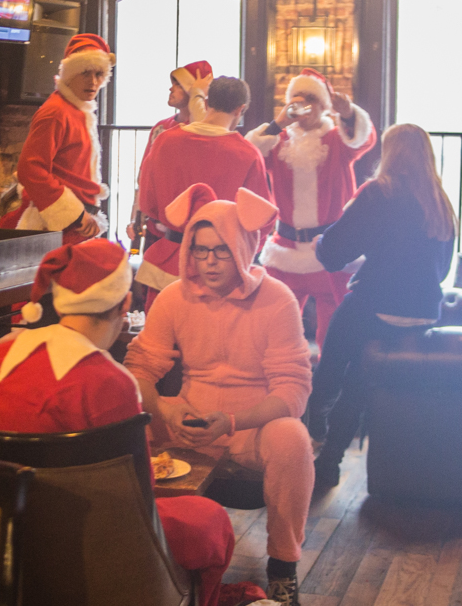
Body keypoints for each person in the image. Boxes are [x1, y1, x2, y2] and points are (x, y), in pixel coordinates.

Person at [0, 238, 240, 606]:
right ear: (124, 303)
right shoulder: (110, 382)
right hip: (87, 543)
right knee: (209, 520)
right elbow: (137, 493)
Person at [124, 184, 313, 606]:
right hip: (189, 420)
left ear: (245, 247)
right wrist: (166, 413)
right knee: (133, 413)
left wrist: (230, 422)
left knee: (292, 436)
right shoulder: (174, 296)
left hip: (252, 426)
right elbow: (138, 372)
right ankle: (148, 546)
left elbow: (293, 391)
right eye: (199, 249)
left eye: (221, 250)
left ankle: (283, 566)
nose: (208, 262)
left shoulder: (278, 299)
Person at [306, 123, 457, 489]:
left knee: (332, 366)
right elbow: (436, 267)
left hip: (378, 307)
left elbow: (335, 253)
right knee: (359, 375)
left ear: (389, 153)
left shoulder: (379, 193)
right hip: (423, 314)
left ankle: (313, 438)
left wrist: (318, 243)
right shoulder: (440, 200)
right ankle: (329, 459)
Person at [246, 68, 376, 346]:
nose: (303, 105)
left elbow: (364, 139)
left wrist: (349, 114)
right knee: (276, 325)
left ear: (323, 106)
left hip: (328, 250)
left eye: (310, 99)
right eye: (297, 98)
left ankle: (329, 387)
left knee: (333, 332)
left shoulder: (336, 139)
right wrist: (278, 123)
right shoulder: (279, 140)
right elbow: (249, 154)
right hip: (286, 250)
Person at [135, 77, 272, 299]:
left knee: (160, 332)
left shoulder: (165, 141)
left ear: (206, 103)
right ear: (241, 109)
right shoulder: (248, 154)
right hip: (221, 267)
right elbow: (260, 222)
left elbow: (148, 204)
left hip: (170, 259)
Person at [15, 33, 115, 244]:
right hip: (59, 227)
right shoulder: (56, 112)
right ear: (70, 74)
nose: (93, 81)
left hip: (77, 225)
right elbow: (29, 169)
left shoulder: (79, 110)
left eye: (99, 74)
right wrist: (75, 215)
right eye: (85, 72)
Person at [127, 60, 214, 244]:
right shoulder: (161, 127)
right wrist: (136, 216)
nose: (171, 89)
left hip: (190, 227)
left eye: (178, 85)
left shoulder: (206, 129)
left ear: (193, 90)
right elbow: (144, 175)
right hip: (155, 224)